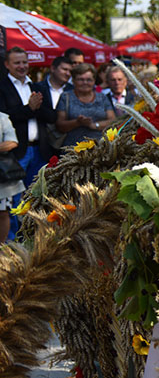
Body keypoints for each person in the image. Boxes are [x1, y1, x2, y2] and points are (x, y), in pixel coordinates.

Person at [0, 47, 54, 188]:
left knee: (39, 195)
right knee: (16, 198)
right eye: (17, 63)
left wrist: (36, 107)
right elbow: (4, 118)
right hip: (16, 152)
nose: (22, 66)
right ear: (7, 64)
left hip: (40, 150)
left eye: (25, 62)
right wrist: (29, 109)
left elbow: (52, 116)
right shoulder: (2, 87)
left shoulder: (37, 87)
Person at [55, 64, 116, 149]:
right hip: (73, 150)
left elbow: (113, 120)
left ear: (94, 81)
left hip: (100, 149)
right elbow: (59, 125)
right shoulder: (66, 97)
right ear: (73, 80)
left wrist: (94, 125)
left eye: (89, 80)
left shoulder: (102, 97)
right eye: (81, 79)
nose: (85, 83)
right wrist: (77, 122)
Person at [0, 110, 21, 241]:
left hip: (1, 176)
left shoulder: (2, 118)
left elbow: (12, 142)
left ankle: (1, 250)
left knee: (2, 213)